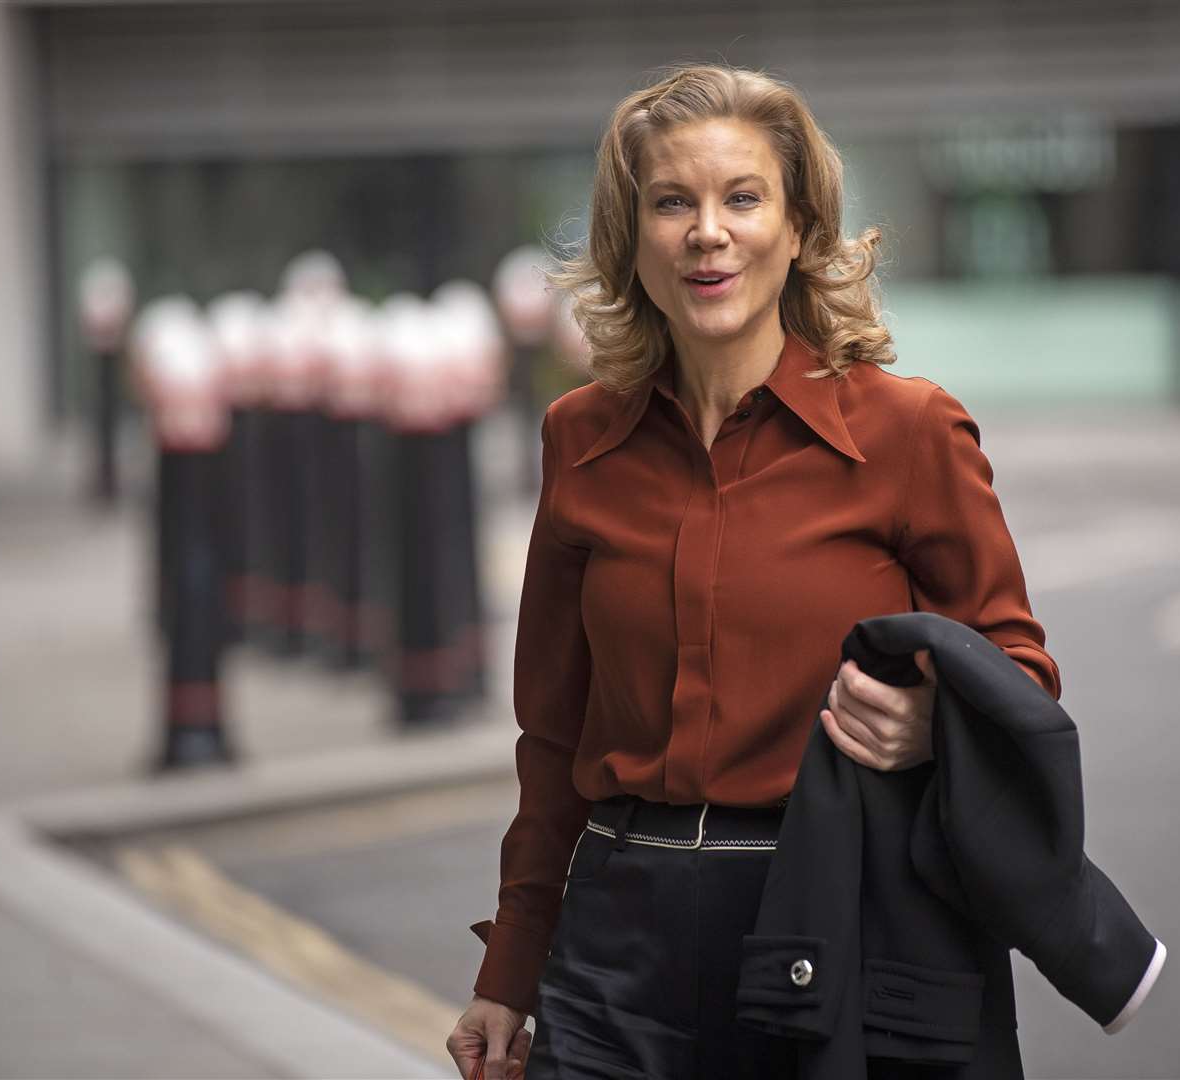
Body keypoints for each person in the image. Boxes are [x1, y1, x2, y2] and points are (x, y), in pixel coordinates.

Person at [446, 61, 1060, 1080]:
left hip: (836, 926)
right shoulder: (580, 439)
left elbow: (1022, 674)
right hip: (613, 952)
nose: (707, 232)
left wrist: (932, 728)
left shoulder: (908, 432)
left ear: (801, 229)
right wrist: (510, 973)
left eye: (743, 198)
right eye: (672, 202)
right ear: (630, 237)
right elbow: (551, 740)